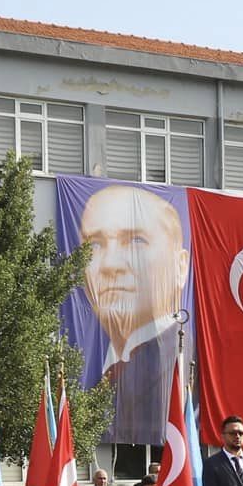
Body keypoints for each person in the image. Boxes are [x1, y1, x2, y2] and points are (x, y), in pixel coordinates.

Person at [77, 183, 188, 445]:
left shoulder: (184, 364)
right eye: (94, 245)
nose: (110, 265)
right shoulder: (84, 368)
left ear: (180, 267)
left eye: (136, 241)